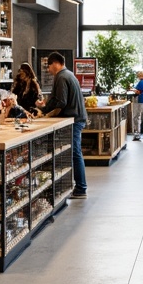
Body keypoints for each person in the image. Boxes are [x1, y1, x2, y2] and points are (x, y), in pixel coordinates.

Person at [37, 51, 88, 198]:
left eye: (49, 66)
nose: (48, 70)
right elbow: (58, 99)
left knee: (74, 153)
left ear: (55, 63)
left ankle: (80, 188)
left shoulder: (61, 77)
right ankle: (78, 186)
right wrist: (46, 106)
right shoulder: (69, 75)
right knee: (74, 152)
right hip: (78, 118)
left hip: (74, 119)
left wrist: (45, 111)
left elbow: (61, 102)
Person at [129, 70, 143, 141]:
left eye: (138, 76)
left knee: (137, 117)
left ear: (140, 76)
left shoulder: (141, 82)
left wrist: (131, 89)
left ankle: (137, 134)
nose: (137, 77)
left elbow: (138, 91)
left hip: (141, 101)